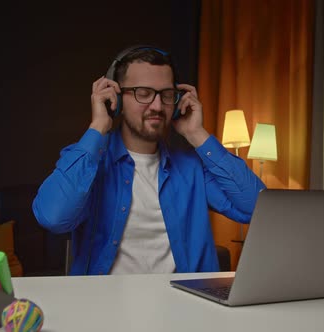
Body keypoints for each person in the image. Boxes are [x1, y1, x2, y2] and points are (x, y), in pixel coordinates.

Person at [32, 45, 265, 275]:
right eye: (143, 93)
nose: (156, 105)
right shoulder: (89, 162)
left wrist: (197, 134)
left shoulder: (192, 168)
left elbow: (258, 209)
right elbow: (54, 217)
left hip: (185, 307)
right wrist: (99, 126)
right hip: (107, 306)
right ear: (117, 100)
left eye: (166, 95)